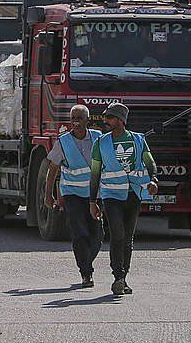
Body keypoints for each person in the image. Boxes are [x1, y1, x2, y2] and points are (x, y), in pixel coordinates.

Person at [90, 102, 159, 297]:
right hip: (111, 196)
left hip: (133, 195)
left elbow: (149, 162)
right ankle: (117, 276)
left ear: (120, 120)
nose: (106, 121)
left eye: (110, 118)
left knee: (128, 239)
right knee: (117, 235)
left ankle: (123, 278)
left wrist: (153, 180)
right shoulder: (100, 143)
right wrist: (92, 201)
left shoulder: (138, 140)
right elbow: (95, 173)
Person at [43, 105, 103, 287]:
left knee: (97, 235)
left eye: (79, 118)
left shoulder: (98, 139)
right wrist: (48, 195)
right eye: (73, 118)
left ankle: (87, 261)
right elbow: (52, 170)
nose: (75, 122)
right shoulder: (63, 142)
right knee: (80, 233)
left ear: (87, 120)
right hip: (72, 194)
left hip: (95, 195)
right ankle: (86, 273)